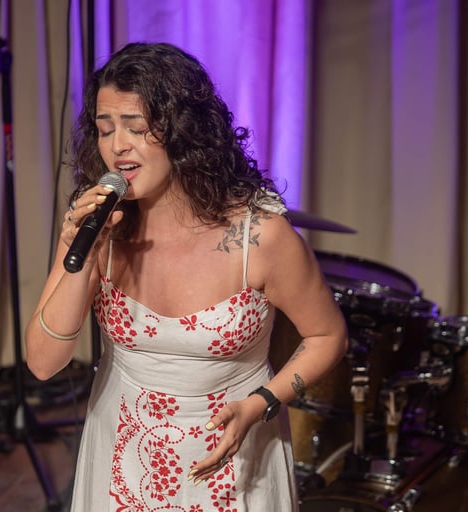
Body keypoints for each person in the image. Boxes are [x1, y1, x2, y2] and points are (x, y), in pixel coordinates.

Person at [25, 42, 348, 511]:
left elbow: (327, 336)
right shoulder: (97, 226)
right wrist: (82, 252)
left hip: (231, 460)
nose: (117, 147)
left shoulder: (260, 236)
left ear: (183, 132)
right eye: (104, 129)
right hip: (122, 454)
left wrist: (262, 402)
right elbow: (42, 362)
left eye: (136, 128)